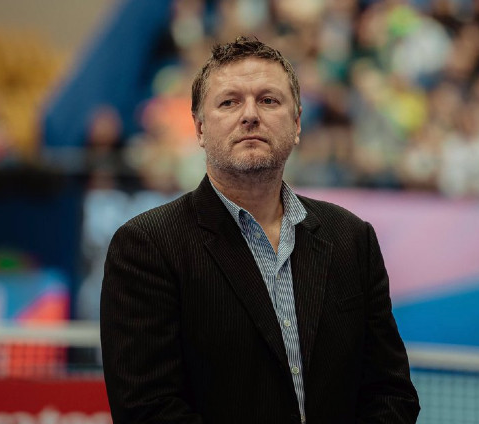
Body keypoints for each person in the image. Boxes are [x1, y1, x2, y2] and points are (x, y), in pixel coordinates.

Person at [100, 37, 420, 424]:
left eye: (268, 100)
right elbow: (146, 409)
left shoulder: (352, 238)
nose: (250, 115)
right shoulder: (147, 246)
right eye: (229, 102)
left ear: (297, 123)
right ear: (199, 129)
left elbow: (391, 392)